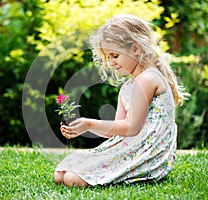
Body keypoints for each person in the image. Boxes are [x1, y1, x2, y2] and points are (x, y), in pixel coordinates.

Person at [53, 14, 189, 187]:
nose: (110, 62)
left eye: (114, 55)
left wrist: (89, 123)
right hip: (130, 147)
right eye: (107, 57)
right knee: (60, 174)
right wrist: (83, 129)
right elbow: (117, 131)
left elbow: (131, 128)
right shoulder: (128, 87)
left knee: (71, 179)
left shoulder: (148, 79)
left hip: (146, 154)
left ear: (135, 49)